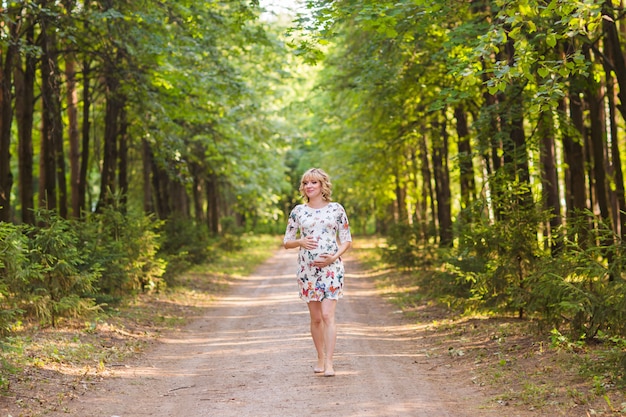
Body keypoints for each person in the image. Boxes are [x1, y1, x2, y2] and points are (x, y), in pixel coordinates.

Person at [283, 168, 352, 377]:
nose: (309, 186)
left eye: (313, 182)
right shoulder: (298, 211)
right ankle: (320, 357)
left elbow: (347, 239)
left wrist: (333, 257)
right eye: (305, 183)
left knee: (327, 314)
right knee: (315, 319)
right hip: (307, 271)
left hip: (331, 269)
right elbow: (286, 242)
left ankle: (330, 363)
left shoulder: (336, 209)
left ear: (323, 185)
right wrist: (300, 241)